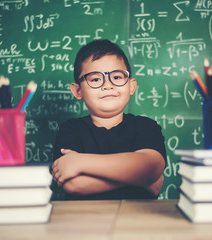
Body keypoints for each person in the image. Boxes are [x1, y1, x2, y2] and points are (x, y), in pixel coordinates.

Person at [51, 39, 166, 200]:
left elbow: (151, 167)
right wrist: (141, 180)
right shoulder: (71, 130)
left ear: (131, 86)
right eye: (96, 79)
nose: (107, 85)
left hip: (138, 218)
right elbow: (73, 184)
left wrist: (81, 162)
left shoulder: (145, 126)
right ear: (78, 91)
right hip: (83, 220)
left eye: (117, 77)